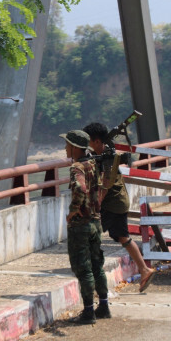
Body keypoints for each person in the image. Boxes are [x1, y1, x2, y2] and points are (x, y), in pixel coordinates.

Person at [83, 122, 156, 295]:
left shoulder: (108, 159)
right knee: (123, 237)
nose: (89, 146)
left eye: (90, 142)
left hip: (113, 204)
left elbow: (106, 185)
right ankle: (144, 269)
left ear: (97, 141)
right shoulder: (107, 154)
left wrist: (96, 204)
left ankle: (91, 271)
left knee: (90, 232)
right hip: (118, 202)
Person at [61, 129, 110, 325]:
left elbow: (80, 189)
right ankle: (104, 306)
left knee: (83, 268)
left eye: (67, 145)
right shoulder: (93, 164)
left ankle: (89, 311)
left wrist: (73, 210)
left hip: (80, 225)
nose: (65, 148)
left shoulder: (77, 167)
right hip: (95, 222)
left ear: (74, 147)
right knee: (97, 265)